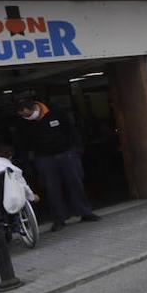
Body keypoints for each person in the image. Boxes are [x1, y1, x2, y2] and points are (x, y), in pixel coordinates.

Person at [14, 96, 100, 232]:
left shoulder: (56, 112)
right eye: (23, 115)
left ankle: (85, 212)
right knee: (51, 188)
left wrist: (77, 149)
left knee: (75, 182)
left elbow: (71, 130)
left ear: (33, 108)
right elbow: (22, 143)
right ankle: (59, 218)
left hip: (66, 152)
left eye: (28, 114)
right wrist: (26, 161)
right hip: (43, 157)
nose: (27, 117)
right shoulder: (22, 123)